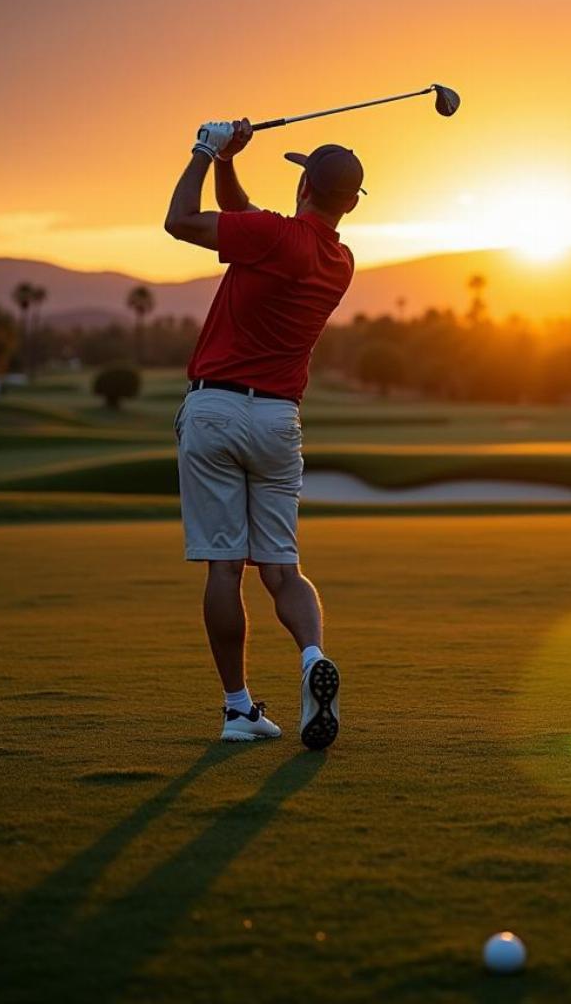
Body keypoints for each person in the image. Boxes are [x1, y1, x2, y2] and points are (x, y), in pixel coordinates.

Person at [164, 117, 362, 747]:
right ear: (350, 203)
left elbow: (179, 220)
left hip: (217, 410)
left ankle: (238, 709)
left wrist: (203, 150)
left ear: (304, 186)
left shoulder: (275, 237)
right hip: (279, 420)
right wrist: (228, 163)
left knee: (225, 569)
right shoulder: (338, 259)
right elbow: (243, 218)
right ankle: (311, 659)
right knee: (282, 568)